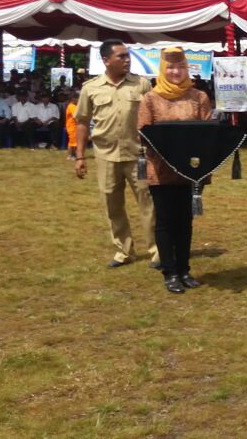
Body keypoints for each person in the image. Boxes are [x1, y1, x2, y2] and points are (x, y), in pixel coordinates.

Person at [75, 39, 159, 269]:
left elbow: (154, 119)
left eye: (127, 55)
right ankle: (124, 251)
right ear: (106, 60)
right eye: (121, 56)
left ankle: (157, 251)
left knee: (148, 203)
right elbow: (82, 122)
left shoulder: (141, 84)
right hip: (105, 155)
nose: (127, 59)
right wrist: (80, 156)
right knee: (112, 205)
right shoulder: (90, 88)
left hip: (139, 155)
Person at [137, 48, 213, 294]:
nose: (175, 72)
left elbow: (206, 131)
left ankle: (184, 269)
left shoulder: (198, 97)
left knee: (186, 222)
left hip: (190, 170)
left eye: (180, 67)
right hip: (162, 169)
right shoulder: (150, 98)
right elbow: (143, 132)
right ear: (162, 69)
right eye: (170, 67)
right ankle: (169, 272)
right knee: (165, 221)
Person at [65, 92, 79, 160]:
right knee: (72, 142)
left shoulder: (75, 106)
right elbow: (76, 117)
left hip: (75, 127)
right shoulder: (72, 106)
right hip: (72, 127)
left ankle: (74, 154)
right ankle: (70, 155)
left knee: (75, 142)